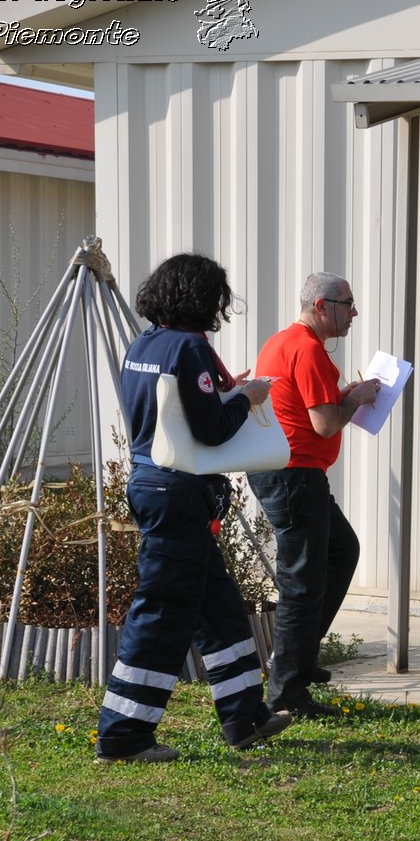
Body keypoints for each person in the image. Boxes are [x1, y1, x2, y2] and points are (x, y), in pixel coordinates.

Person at [95, 253, 292, 763]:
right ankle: (124, 736)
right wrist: (246, 398)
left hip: (153, 485)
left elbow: (177, 411)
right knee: (161, 615)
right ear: (202, 300)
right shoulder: (190, 348)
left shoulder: (145, 344)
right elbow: (210, 430)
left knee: (219, 607)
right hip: (178, 492)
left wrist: (228, 393)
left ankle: (245, 716)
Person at [246, 272, 379, 719]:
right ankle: (286, 691)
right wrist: (358, 397)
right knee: (302, 585)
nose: (354, 313)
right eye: (348, 303)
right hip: (295, 476)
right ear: (322, 306)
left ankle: (299, 659)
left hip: (287, 473)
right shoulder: (309, 350)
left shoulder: (282, 342)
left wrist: (344, 395)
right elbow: (324, 423)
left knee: (341, 551)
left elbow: (308, 406)